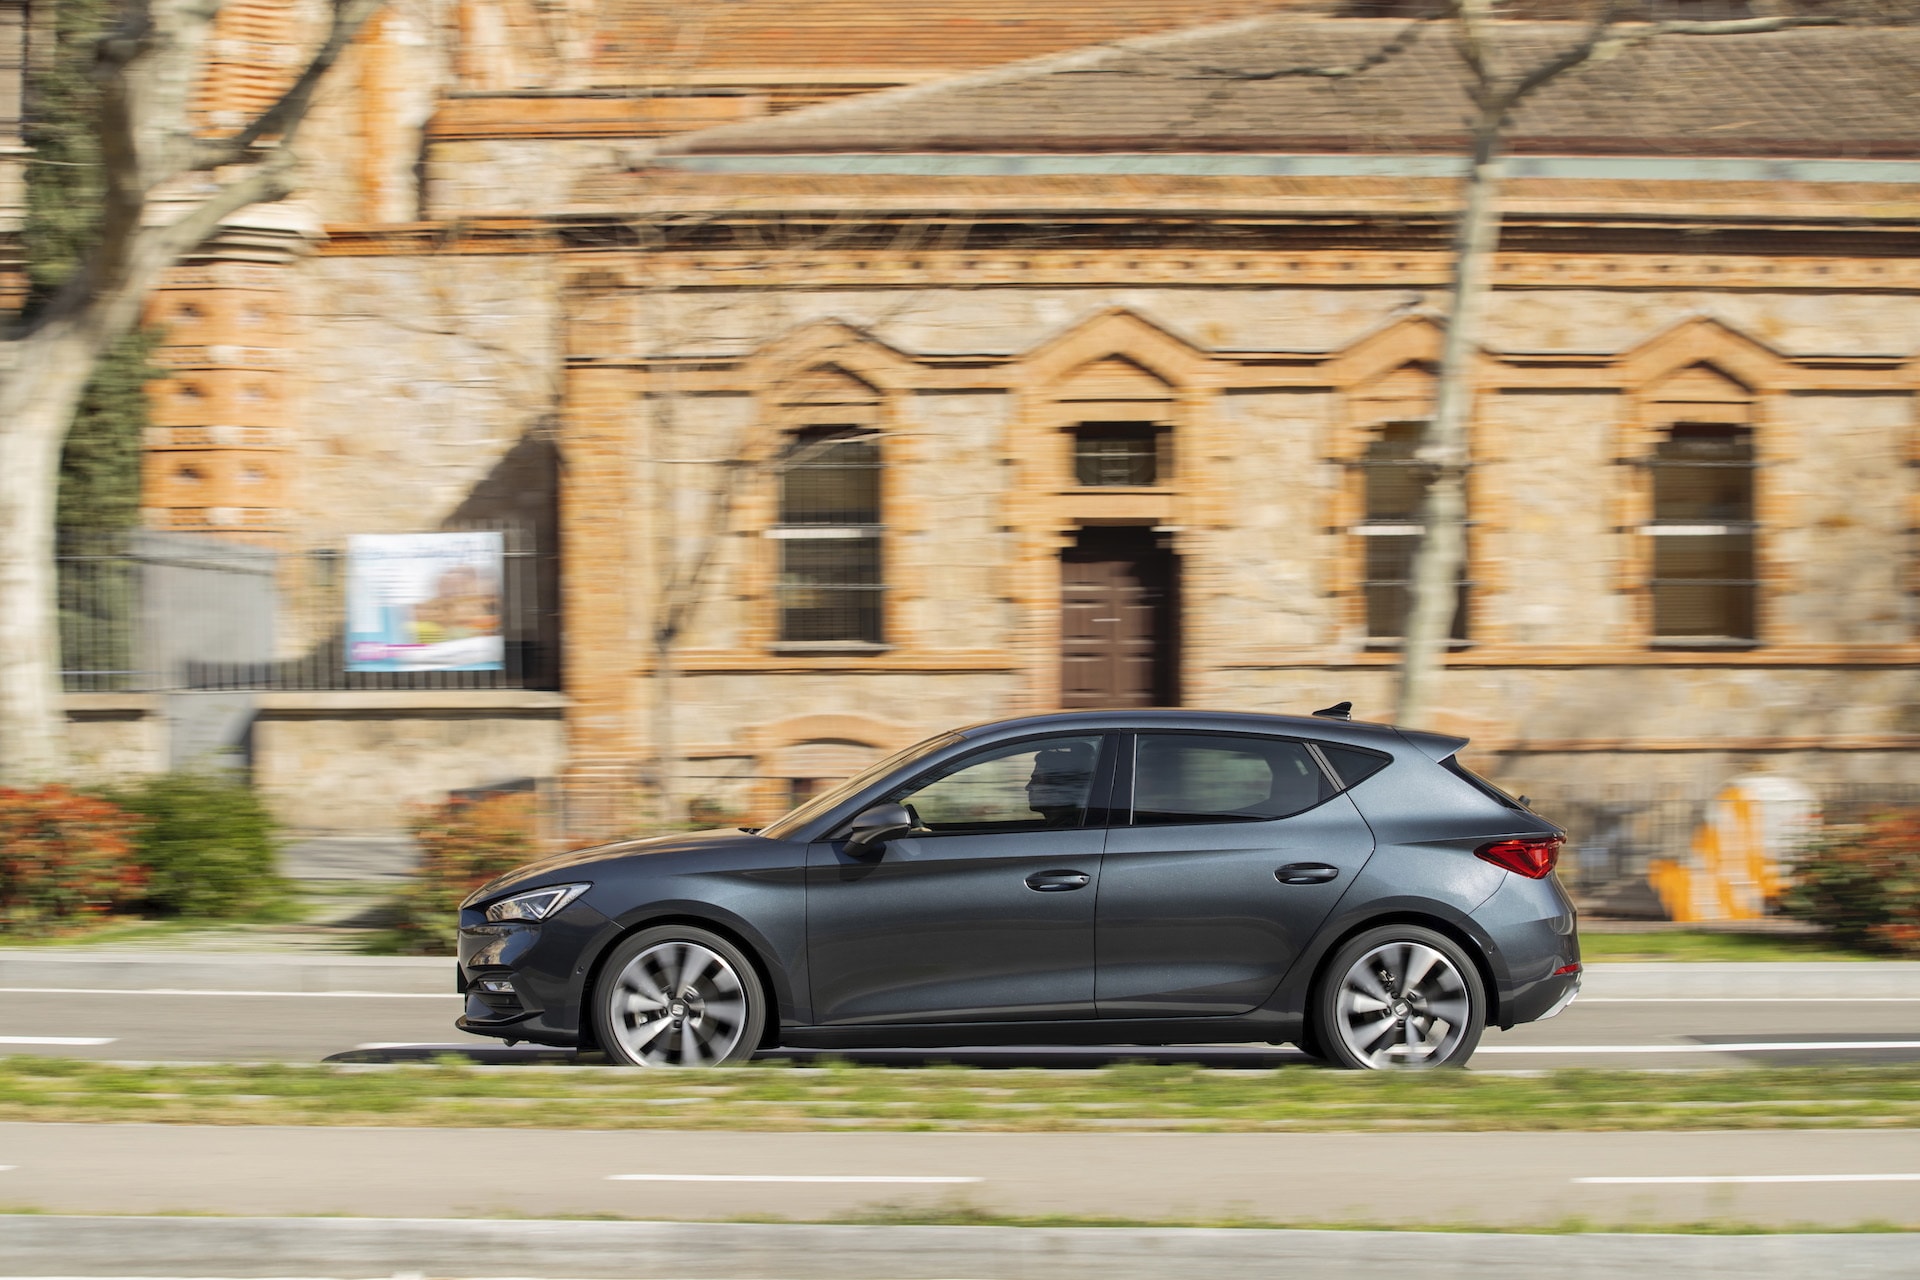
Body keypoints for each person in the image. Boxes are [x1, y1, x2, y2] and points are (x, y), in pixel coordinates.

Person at [1025, 741, 1097, 826]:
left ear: (1059, 788)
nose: (1027, 787)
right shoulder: (1068, 828)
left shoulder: (1068, 832)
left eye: (1037, 780)